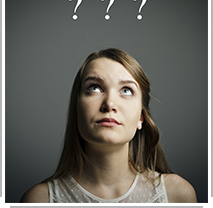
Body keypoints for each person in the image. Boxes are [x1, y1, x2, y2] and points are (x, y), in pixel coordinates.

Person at [20, 48, 197, 203]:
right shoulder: (40, 200)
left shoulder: (177, 195)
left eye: (126, 90)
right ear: (77, 109)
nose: (109, 103)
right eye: (95, 88)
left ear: (141, 118)